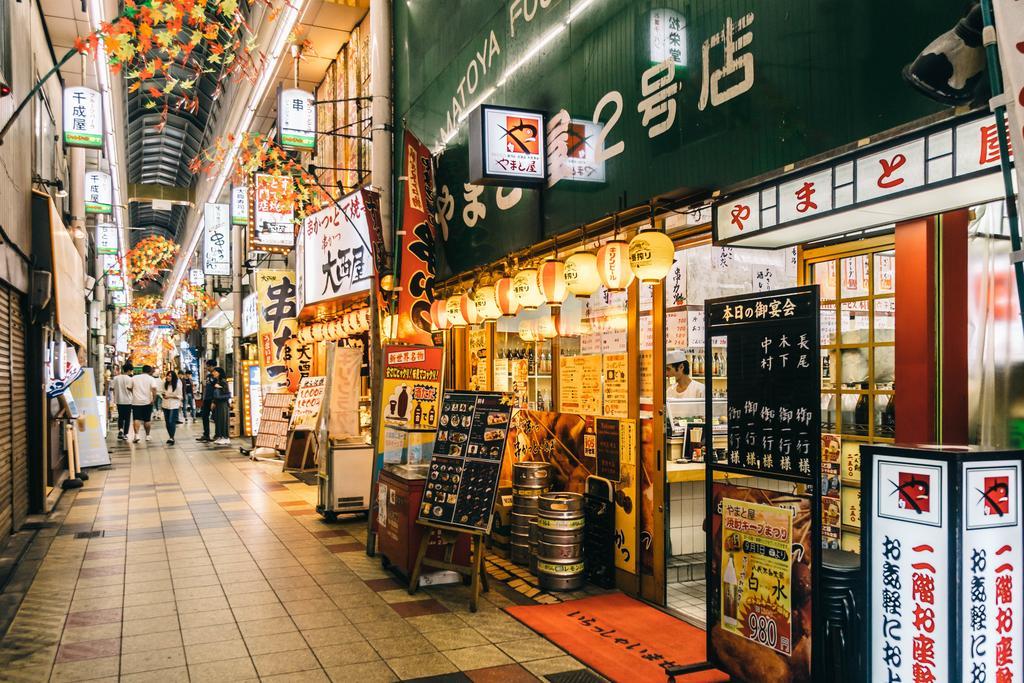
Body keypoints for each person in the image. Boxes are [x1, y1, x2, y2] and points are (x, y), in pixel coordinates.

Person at [130, 365, 160, 443]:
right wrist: (153, 399)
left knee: (136, 418)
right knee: (147, 419)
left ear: (142, 370)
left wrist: (134, 392)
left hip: (136, 401)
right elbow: (154, 389)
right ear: (150, 371)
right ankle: (147, 436)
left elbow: (129, 387)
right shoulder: (151, 379)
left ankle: (136, 435)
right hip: (147, 402)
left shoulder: (134, 378)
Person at [110, 363, 134, 440]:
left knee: (120, 416)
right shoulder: (130, 379)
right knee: (127, 417)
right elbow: (131, 389)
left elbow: (111, 388)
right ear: (129, 370)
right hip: (128, 400)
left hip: (119, 400)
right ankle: (125, 434)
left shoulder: (116, 378)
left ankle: (120, 430)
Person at [161, 370, 183, 445]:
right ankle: (170, 437)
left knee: (171, 421)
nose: (168, 377)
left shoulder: (177, 385)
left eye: (170, 376)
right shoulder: (165, 384)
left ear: (173, 377)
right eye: (167, 375)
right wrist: (163, 394)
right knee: (167, 422)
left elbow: (180, 396)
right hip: (165, 405)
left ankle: (172, 437)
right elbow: (162, 392)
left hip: (174, 405)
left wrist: (170, 396)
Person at [210, 367, 231, 445]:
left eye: (215, 372)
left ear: (219, 373)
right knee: (219, 420)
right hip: (218, 404)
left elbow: (228, 394)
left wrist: (219, 390)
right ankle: (221, 436)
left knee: (223, 420)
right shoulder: (217, 381)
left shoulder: (223, 382)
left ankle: (225, 437)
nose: (213, 373)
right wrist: (214, 402)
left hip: (223, 404)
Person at [197, 359, 217, 442]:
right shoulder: (208, 376)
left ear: (213, 366)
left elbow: (216, 389)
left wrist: (214, 401)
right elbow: (207, 388)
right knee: (204, 416)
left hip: (213, 400)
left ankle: (218, 435)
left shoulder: (216, 375)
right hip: (206, 399)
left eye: (208, 366)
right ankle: (206, 434)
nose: (207, 368)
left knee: (216, 418)